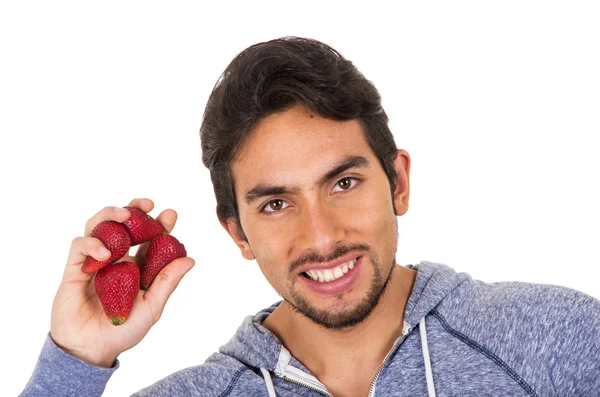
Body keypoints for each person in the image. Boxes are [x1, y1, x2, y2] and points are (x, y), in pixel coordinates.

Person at [21, 36, 600, 397]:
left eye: (343, 183)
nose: (321, 236)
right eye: (276, 203)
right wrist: (75, 360)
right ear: (238, 234)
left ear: (398, 181)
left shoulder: (557, 336)